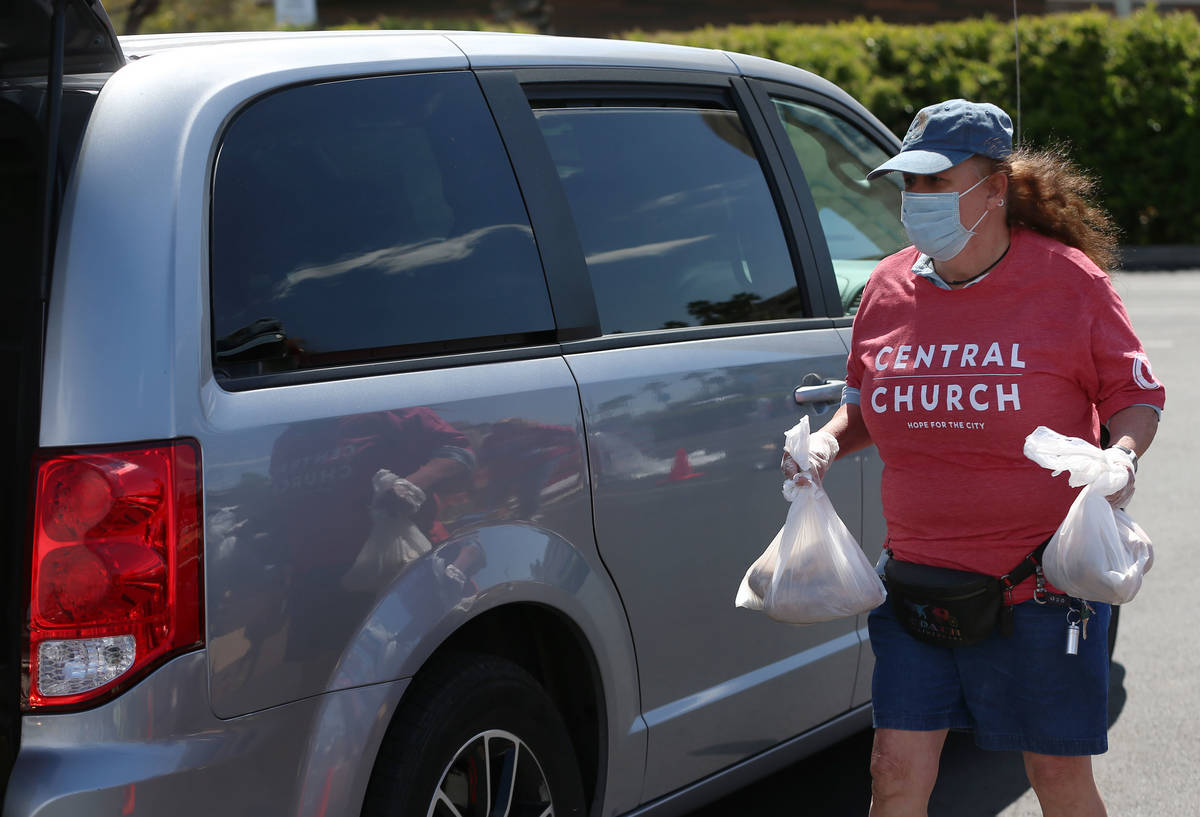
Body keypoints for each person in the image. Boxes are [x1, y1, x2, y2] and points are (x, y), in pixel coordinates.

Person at [782, 99, 1165, 817]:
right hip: (917, 583)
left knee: (1056, 774)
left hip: (1045, 588)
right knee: (893, 771)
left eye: (936, 182)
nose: (918, 200)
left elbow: (1134, 394)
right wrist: (827, 441)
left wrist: (1121, 456)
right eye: (910, 184)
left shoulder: (1068, 281)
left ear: (995, 188)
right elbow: (865, 403)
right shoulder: (887, 288)